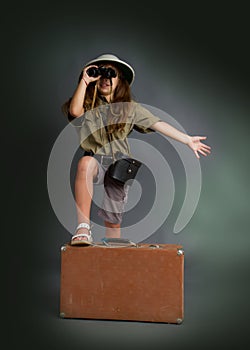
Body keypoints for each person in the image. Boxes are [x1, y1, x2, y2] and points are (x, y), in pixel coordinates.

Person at [62, 53, 211, 245]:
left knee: (113, 224)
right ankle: (82, 229)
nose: (105, 79)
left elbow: (158, 124)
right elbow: (75, 112)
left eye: (111, 74)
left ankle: (112, 260)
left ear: (120, 80)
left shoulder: (129, 108)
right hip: (96, 161)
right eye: (101, 74)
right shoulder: (87, 103)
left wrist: (186, 139)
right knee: (85, 163)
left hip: (118, 167)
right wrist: (85, 80)